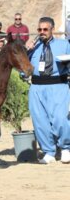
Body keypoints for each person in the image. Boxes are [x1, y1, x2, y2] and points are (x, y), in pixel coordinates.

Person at [27, 17, 70, 164]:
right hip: (37, 87)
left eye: (45, 29)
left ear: (52, 29)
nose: (42, 32)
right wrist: (26, 50)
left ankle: (65, 148)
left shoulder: (64, 44)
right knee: (40, 121)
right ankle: (49, 151)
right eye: (39, 29)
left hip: (58, 85)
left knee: (61, 118)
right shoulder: (33, 47)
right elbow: (22, 67)